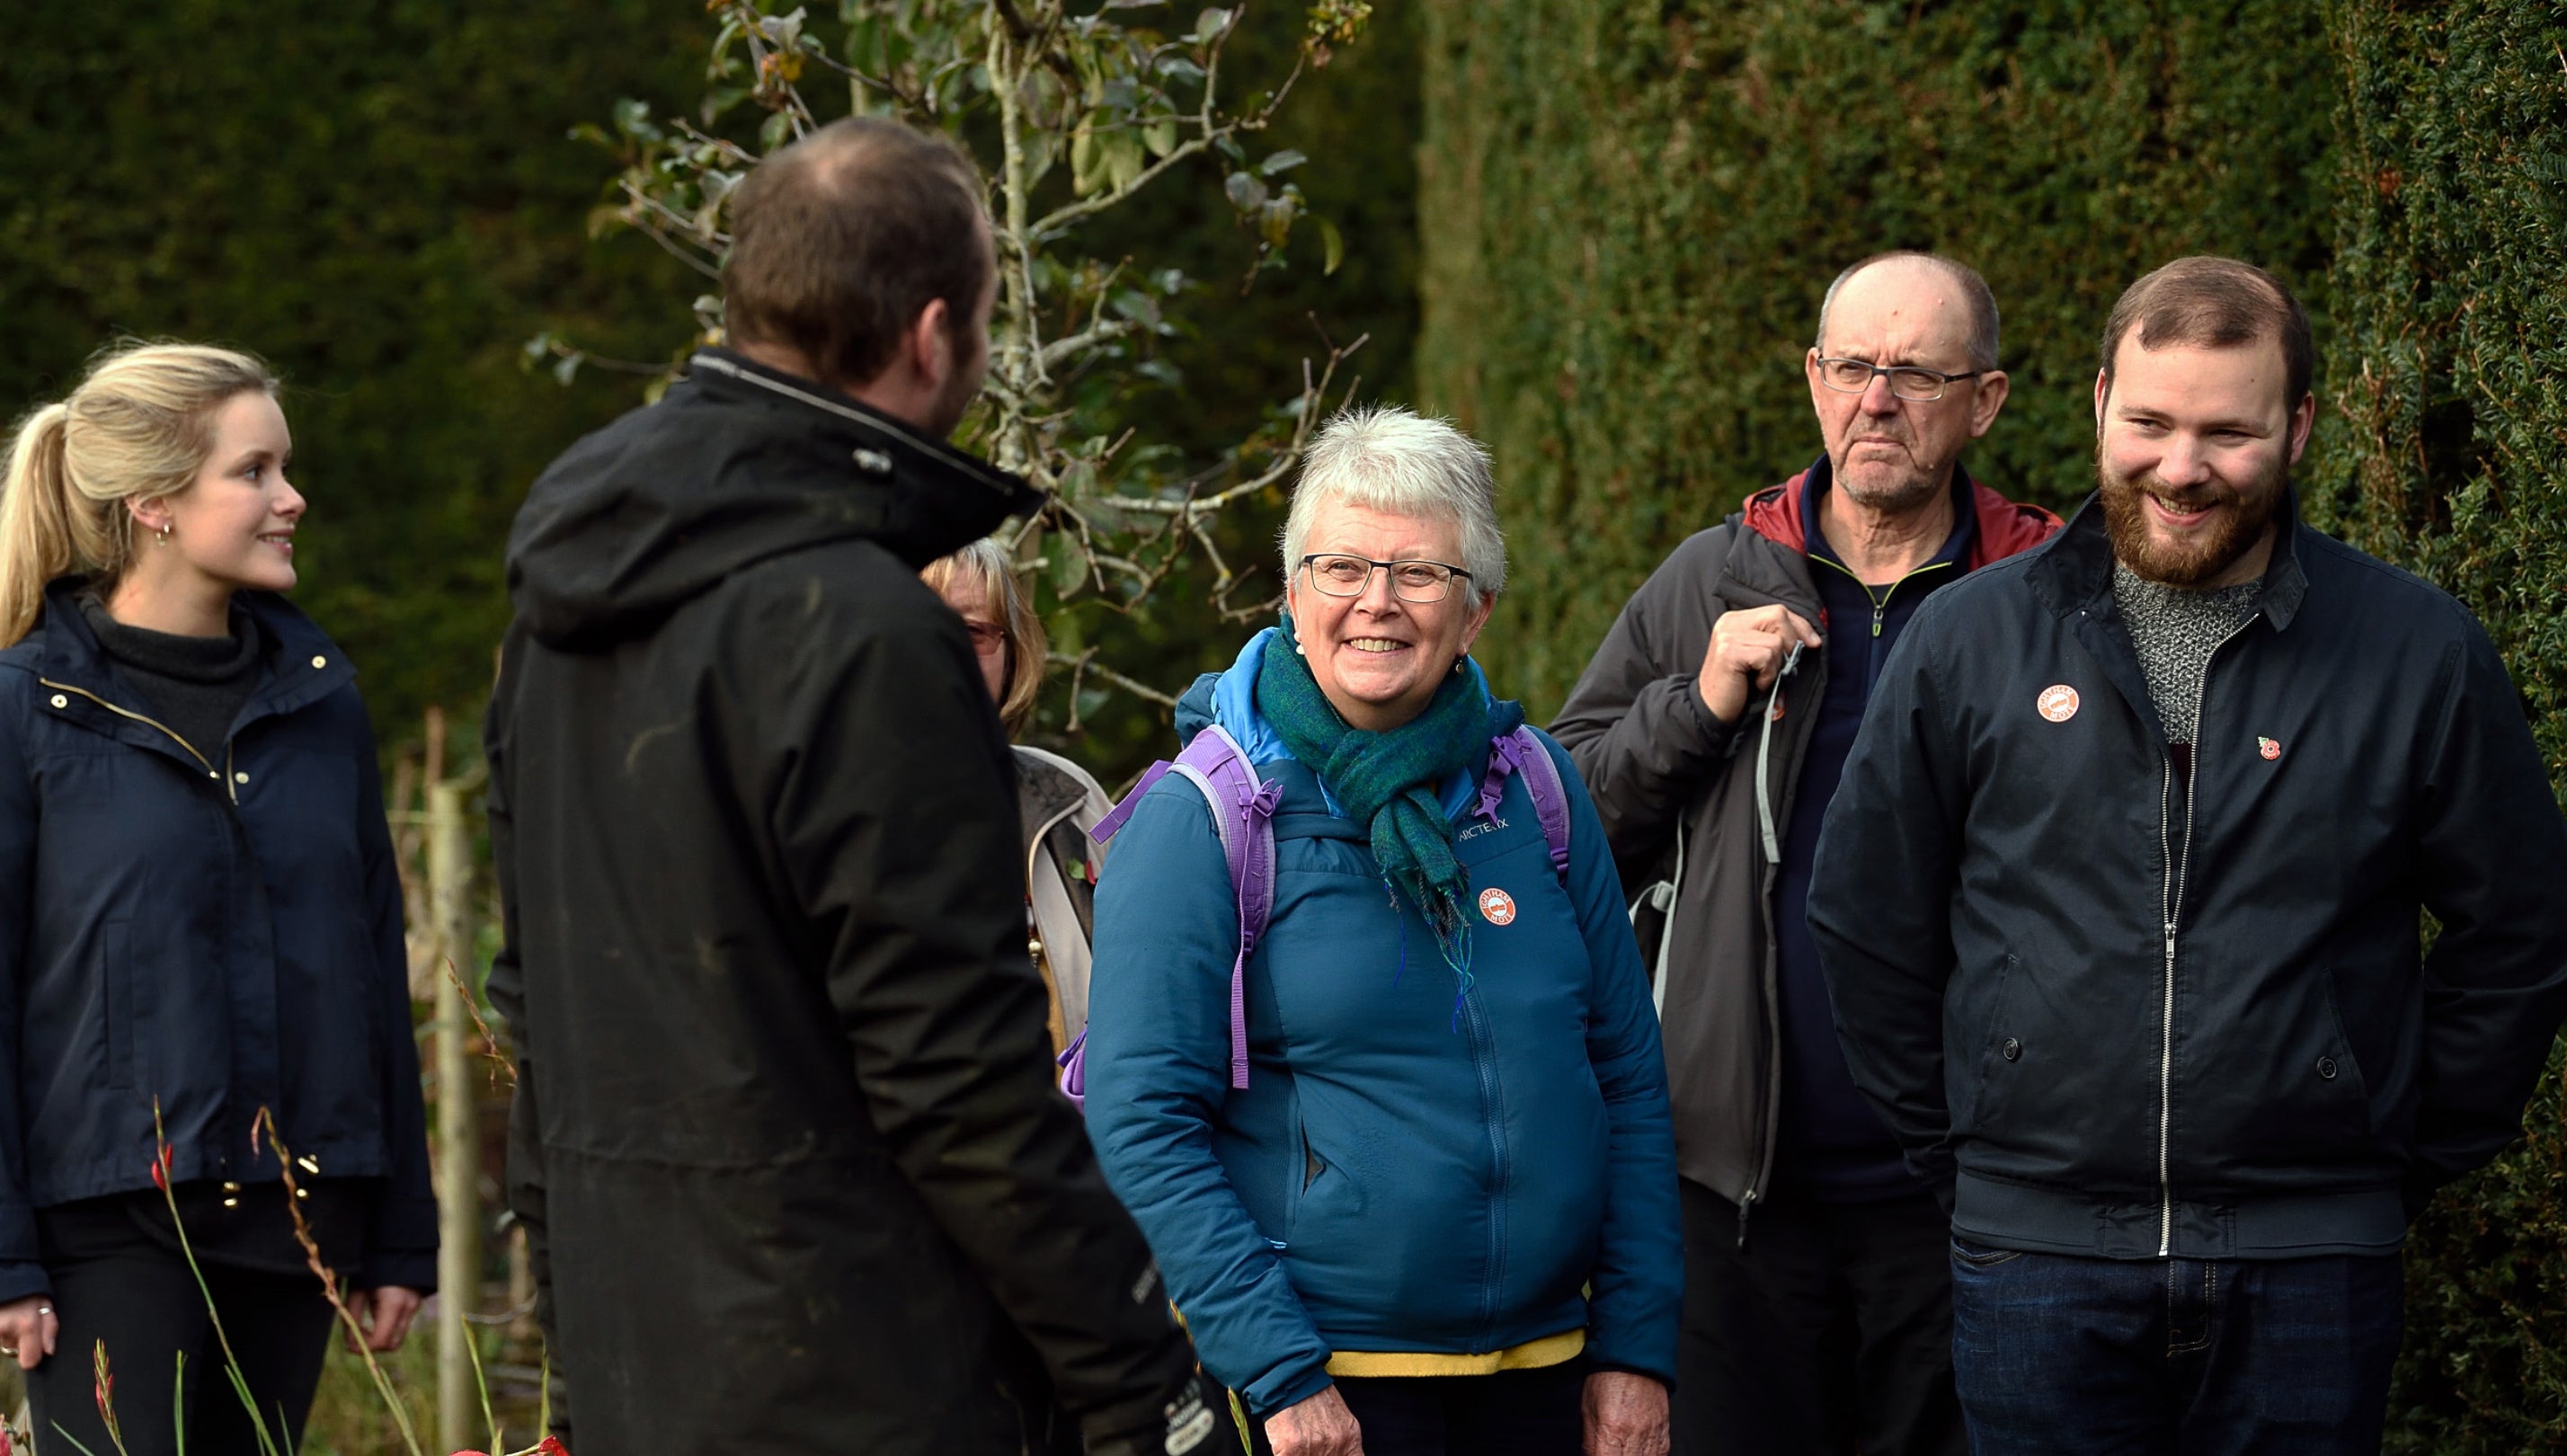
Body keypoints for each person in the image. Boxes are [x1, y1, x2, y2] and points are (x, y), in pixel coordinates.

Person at [483, 117, 1234, 1456]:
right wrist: (1147, 1395)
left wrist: (580, 1336)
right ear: (935, 335)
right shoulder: (865, 630)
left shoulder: (562, 608)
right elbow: (956, 1075)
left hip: (643, 1362)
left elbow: (534, 1004)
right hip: (862, 1380)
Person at [1808, 255, 2567, 1454]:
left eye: (2227, 430)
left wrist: (2389, 1145)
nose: (2181, 467)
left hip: (2309, 1268)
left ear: (2300, 426)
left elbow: (2526, 930)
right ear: (2099, 402)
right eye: (2151, 423)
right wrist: (1973, 1145)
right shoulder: (1969, 641)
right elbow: (1867, 917)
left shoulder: (2415, 651)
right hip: (2037, 1262)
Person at [1084, 407, 1681, 1456]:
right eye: (1342, 567)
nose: (1377, 602)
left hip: (1547, 1371)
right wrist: (1280, 1376)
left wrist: (1635, 1346)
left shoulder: (1536, 787)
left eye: (1419, 575)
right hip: (1330, 1387)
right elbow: (1141, 1122)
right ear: (1291, 593)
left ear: (1477, 611)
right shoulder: (1206, 817)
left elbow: (1625, 1074)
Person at [1550, 251, 2057, 1455]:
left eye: (1914, 373)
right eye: (1850, 368)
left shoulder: (2046, 594)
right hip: (1734, 1211)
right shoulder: (1708, 579)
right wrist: (1700, 702)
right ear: (1813, 380)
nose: (1874, 400)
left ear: (1983, 400)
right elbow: (1557, 827)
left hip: (1974, 1203)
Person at [0, 342, 433, 1454]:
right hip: (107, 1228)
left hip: (298, 1224)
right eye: (255, 472)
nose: (292, 499)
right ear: (152, 502)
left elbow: (372, 968)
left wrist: (398, 1233)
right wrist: (6, 1252)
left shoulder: (320, 701)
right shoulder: (25, 708)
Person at [924, 537, 1115, 1052]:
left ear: (1012, 652)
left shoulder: (1074, 803)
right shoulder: (813, 806)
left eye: (973, 630)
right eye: (921, 626)